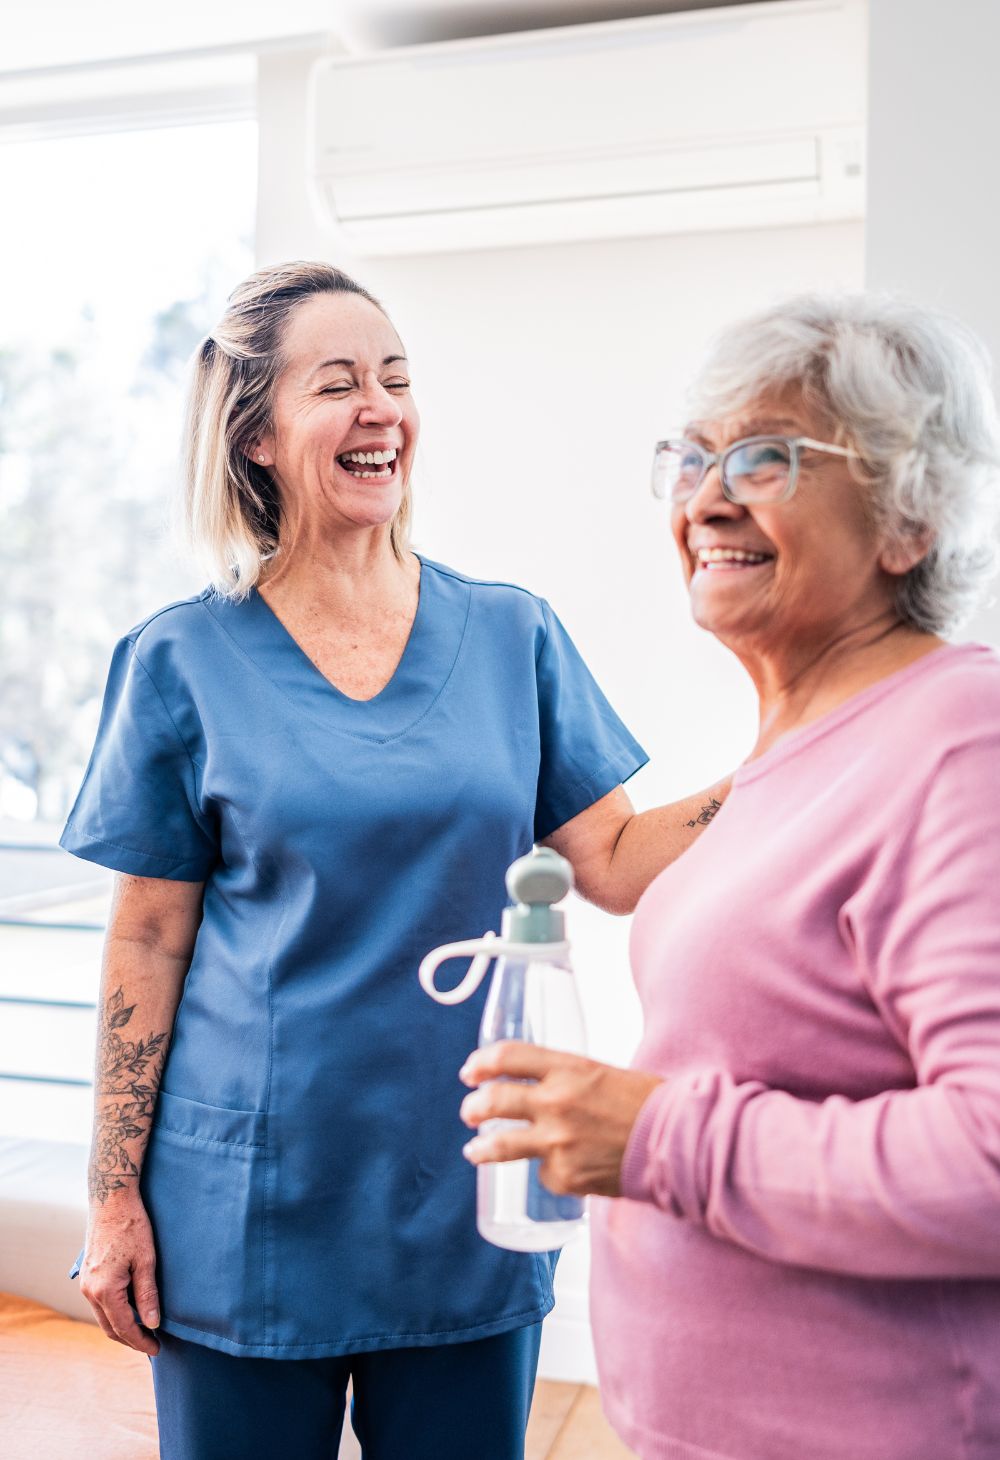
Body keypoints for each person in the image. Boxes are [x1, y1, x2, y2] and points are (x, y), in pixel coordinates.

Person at [60, 260, 727, 1460]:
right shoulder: (180, 660)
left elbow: (618, 861)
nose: (382, 408)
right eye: (338, 384)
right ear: (257, 435)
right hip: (246, 1206)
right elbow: (149, 936)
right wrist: (111, 1196)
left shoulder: (509, 633)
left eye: (398, 378)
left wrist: (801, 749)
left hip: (461, 1187)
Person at [460, 292, 1000, 1460]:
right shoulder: (797, 749)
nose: (705, 496)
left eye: (764, 457)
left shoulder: (961, 740)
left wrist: (654, 1135)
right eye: (692, 457)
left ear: (907, 520)